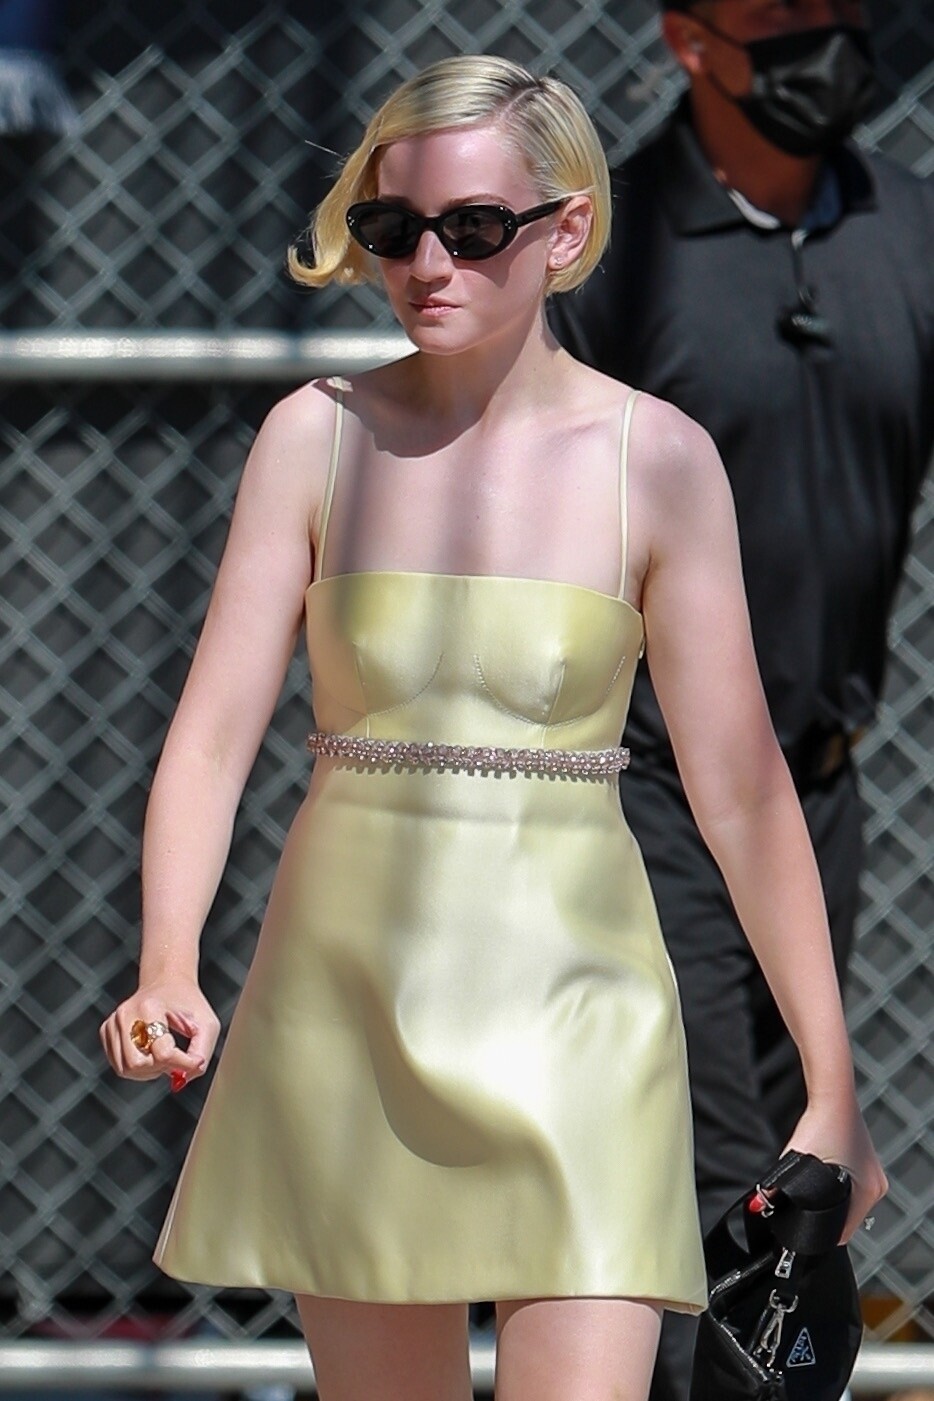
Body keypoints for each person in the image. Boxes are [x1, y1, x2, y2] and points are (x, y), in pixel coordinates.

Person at [100, 54, 885, 1401]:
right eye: (392, 226)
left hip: (579, 1006)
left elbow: (744, 788)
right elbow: (212, 735)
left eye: (472, 227)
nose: (426, 264)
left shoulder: (655, 459)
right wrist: (167, 961)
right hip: (346, 1001)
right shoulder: (312, 437)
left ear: (565, 231)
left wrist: (831, 1082)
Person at [550, 3, 934, 1398]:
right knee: (720, 1177)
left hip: (812, 783)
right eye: (776, 16)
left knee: (797, 1170)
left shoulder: (908, 230)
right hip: (640, 783)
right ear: (687, 39)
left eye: (837, 11)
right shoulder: (608, 251)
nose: (818, 39)